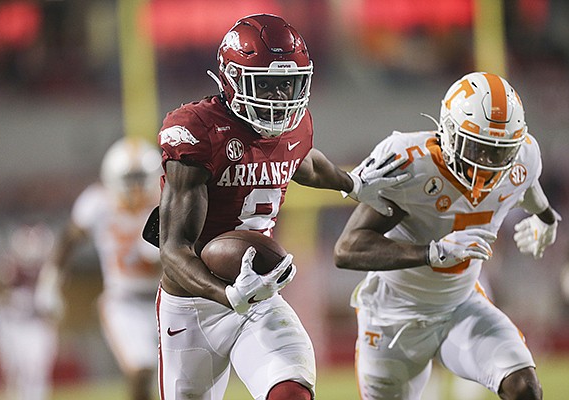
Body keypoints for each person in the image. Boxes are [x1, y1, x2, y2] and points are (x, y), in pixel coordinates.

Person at [148, 13, 409, 400]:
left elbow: (302, 161)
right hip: (193, 305)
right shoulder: (198, 132)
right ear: (232, 79)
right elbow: (172, 251)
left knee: (291, 392)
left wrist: (353, 183)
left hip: (258, 296)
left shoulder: (295, 125)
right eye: (266, 85)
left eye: (288, 84)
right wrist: (227, 295)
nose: (280, 97)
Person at [334, 72, 560, 400]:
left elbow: (525, 184)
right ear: (450, 133)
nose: (488, 164)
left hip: (460, 306)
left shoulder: (522, 157)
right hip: (393, 317)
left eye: (498, 153)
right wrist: (432, 252)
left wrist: (546, 217)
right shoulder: (412, 166)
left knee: (523, 387)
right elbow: (347, 249)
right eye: (478, 148)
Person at [35, 137, 163, 400]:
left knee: (181, 375)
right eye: (130, 179)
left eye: (141, 178)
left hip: (168, 296)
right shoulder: (98, 202)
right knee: (141, 369)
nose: (137, 187)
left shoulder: (167, 199)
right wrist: (49, 283)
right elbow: (69, 239)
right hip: (124, 300)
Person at [0, 224, 58, 400]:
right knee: (13, 372)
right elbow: (0, 293)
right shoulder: (9, 264)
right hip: (13, 323)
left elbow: (51, 301)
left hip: (36, 323)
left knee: (36, 370)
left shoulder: (48, 269)